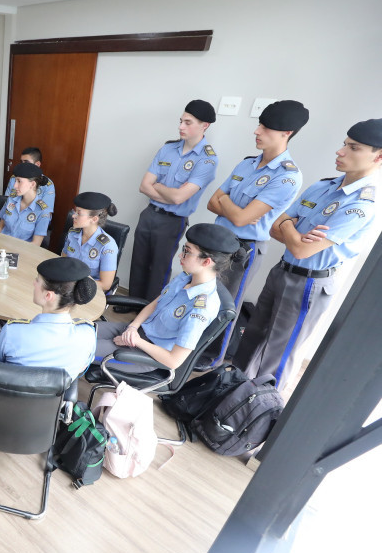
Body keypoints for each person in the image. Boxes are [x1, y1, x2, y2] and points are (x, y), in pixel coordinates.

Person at [232, 119, 382, 389]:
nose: (341, 151)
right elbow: (276, 227)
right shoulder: (322, 187)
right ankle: (228, 390)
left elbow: (301, 249)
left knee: (278, 354)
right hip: (281, 271)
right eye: (344, 144)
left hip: (309, 283)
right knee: (252, 336)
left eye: (354, 148)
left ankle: (259, 413)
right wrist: (292, 229)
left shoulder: (361, 205)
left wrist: (290, 227)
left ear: (378, 156)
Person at [200, 100, 309, 369]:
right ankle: (190, 345)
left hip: (242, 248)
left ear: (287, 134)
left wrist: (229, 205)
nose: (257, 131)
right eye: (259, 124)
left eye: (266, 127)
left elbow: (239, 217)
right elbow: (211, 201)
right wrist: (233, 208)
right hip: (216, 240)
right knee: (202, 297)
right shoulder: (247, 164)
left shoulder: (287, 177)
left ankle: (211, 358)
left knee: (225, 306)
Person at [94, 224, 241, 373]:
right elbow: (155, 304)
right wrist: (132, 327)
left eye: (187, 252)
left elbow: (173, 361)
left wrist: (136, 341)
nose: (180, 255)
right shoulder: (186, 278)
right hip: (135, 332)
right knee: (78, 330)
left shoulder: (202, 308)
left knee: (78, 348)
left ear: (206, 262)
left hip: (146, 354)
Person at [127, 100, 219, 303]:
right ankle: (130, 303)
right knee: (139, 261)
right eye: (181, 121)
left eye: (188, 122)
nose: (180, 127)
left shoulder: (207, 159)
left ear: (205, 126)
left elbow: (179, 198)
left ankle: (148, 310)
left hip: (172, 221)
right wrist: (166, 192)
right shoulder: (168, 149)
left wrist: (158, 187)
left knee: (159, 268)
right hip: (149, 213)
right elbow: (144, 186)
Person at [0, 257, 98, 401]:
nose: (34, 283)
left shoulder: (13, 332)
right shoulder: (88, 334)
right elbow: (82, 368)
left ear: (48, 295)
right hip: (47, 413)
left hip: (4, 400)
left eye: (37, 281)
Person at [62, 192, 119, 292]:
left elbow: (105, 285)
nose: (73, 216)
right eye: (75, 211)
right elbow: (63, 261)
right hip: (68, 286)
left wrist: (75, 284)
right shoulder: (72, 234)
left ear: (94, 219)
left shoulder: (108, 246)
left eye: (79, 213)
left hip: (89, 291)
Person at [0, 162, 51, 246]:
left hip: (21, 253)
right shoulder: (11, 199)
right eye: (15, 181)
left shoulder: (43, 211)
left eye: (19, 181)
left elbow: (36, 244)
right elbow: (0, 226)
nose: (14, 186)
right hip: (0, 246)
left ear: (32, 184)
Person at [4, 147, 56, 214]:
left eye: (26, 163)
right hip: (11, 216)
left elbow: (46, 213)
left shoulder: (48, 184)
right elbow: (6, 200)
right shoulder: (14, 178)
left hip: (31, 220)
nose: (22, 166)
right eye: (21, 162)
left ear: (37, 164)